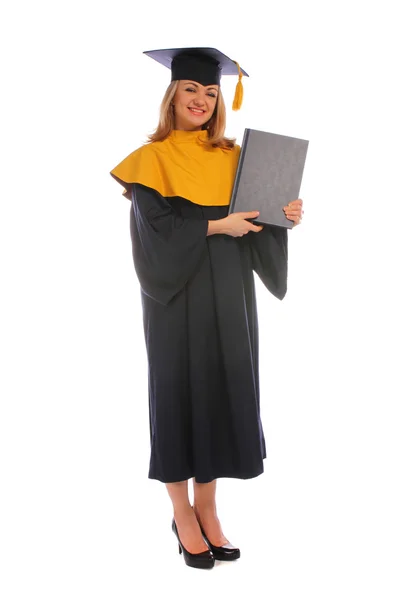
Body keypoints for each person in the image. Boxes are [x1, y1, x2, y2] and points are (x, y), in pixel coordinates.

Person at [110, 47, 304, 569]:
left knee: (220, 392)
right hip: (176, 296)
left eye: (211, 92)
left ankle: (209, 507)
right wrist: (218, 225)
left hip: (230, 293)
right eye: (192, 90)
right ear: (172, 95)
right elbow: (157, 237)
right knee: (177, 395)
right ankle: (181, 511)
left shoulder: (236, 158)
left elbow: (258, 229)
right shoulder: (149, 160)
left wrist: (284, 216)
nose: (201, 100)